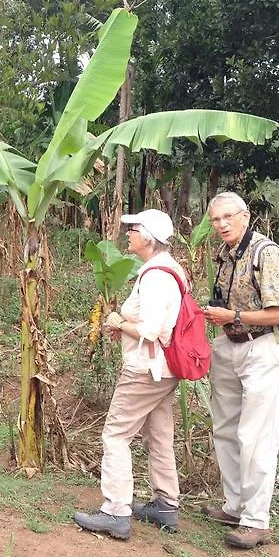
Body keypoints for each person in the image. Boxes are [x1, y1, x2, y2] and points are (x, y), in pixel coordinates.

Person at [74, 209, 187, 540]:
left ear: (148, 238)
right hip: (164, 370)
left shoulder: (155, 276)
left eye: (133, 229)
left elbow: (151, 329)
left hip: (145, 369)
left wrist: (119, 323)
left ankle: (115, 510)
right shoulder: (171, 269)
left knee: (116, 435)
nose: (128, 233)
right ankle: (165, 504)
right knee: (159, 433)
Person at [201, 191, 279, 549]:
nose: (222, 224)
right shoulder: (225, 255)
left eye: (228, 217)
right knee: (226, 429)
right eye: (216, 220)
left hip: (261, 346)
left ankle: (257, 521)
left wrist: (234, 317)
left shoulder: (266, 253)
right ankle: (235, 505)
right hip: (229, 345)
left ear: (245, 216)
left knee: (256, 436)